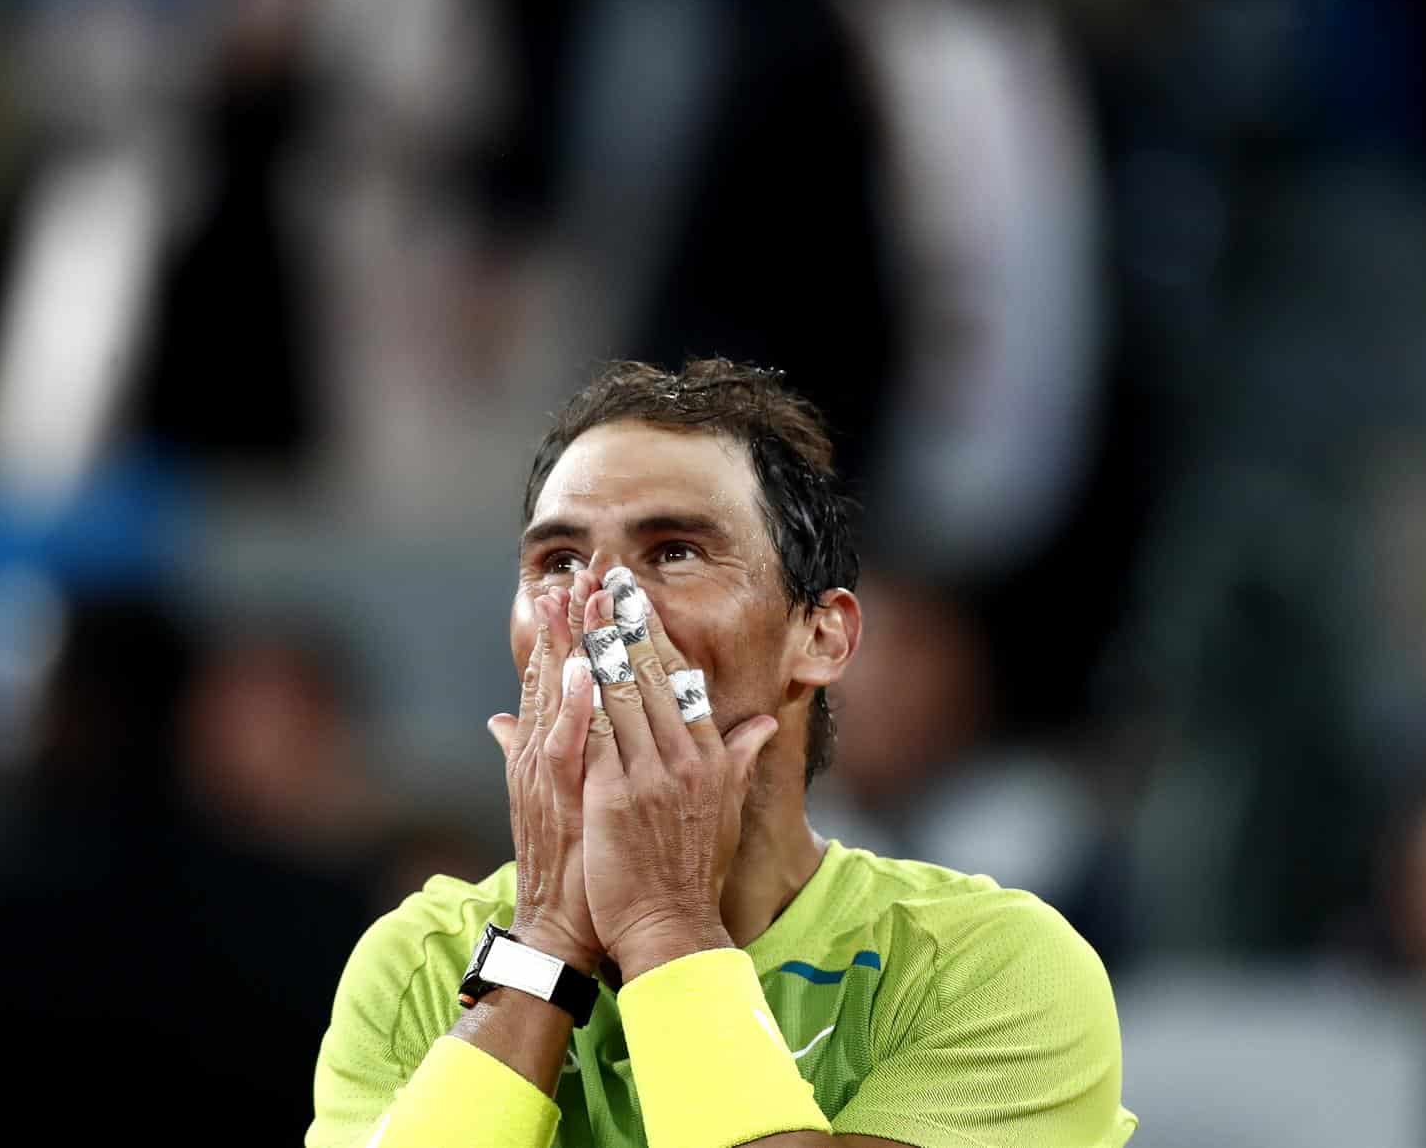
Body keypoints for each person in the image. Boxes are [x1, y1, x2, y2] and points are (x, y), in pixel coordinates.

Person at [306, 359, 1135, 1148]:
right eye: (558, 561)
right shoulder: (420, 962)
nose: (599, 603)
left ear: (822, 634)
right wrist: (548, 936)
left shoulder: (993, 971)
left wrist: (667, 924)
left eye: (673, 551)